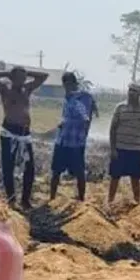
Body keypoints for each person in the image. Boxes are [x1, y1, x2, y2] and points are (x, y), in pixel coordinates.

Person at [0, 66, 47, 208]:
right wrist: (8, 73)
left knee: (29, 168)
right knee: (8, 167)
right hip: (9, 133)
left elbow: (44, 76)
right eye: (19, 78)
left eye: (24, 78)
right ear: (12, 78)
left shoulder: (27, 89)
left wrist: (26, 72)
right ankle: (11, 199)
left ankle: (25, 200)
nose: (22, 80)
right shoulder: (5, 90)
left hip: (25, 134)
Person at [50, 72, 97, 201]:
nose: (66, 87)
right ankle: (52, 199)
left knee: (79, 172)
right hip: (62, 139)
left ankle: (81, 199)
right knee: (56, 171)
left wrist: (85, 132)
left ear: (73, 83)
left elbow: (87, 117)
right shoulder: (67, 98)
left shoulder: (84, 97)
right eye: (65, 84)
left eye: (68, 84)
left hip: (76, 141)